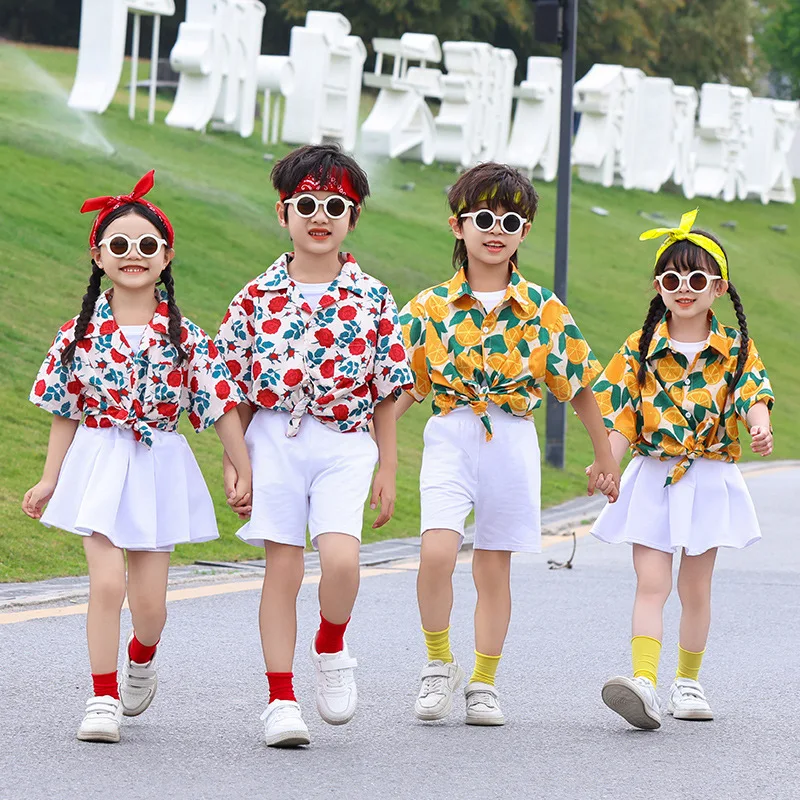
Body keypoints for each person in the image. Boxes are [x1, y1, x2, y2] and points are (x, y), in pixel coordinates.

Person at [22, 170, 252, 744]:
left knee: (150, 606)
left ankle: (142, 656)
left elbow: (219, 400)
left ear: (165, 255)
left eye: (146, 245)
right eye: (118, 245)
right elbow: (65, 409)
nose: (133, 255)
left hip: (157, 465)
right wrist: (51, 478)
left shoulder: (188, 338)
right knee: (106, 586)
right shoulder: (77, 334)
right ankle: (101, 698)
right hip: (96, 461)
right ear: (98, 255)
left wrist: (241, 463)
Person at [396, 162, 620, 727]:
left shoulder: (544, 310)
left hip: (512, 438)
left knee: (493, 568)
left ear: (524, 232)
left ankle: (484, 682)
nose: (496, 229)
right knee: (437, 553)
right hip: (450, 433)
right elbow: (404, 385)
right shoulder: (428, 308)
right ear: (458, 225)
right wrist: (374, 441)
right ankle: (437, 662)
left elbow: (579, 386)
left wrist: (603, 455)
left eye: (511, 219)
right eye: (485, 217)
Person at [215, 144, 412, 747]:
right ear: (284, 213)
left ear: (352, 218)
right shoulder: (256, 297)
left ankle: (331, 641)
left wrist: (388, 465)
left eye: (335, 205)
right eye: (306, 203)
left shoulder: (372, 298)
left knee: (342, 561)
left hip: (346, 442)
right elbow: (233, 387)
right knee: (281, 568)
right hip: (274, 437)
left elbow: (391, 388)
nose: (319, 216)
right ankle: (280, 699)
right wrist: (235, 460)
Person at [592, 209, 774, 730]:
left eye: (697, 279)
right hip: (653, 475)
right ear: (658, 286)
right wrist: (608, 462)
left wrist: (757, 423)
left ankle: (688, 681)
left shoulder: (735, 348)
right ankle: (643, 681)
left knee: (696, 587)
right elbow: (622, 416)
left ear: (718, 287)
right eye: (673, 279)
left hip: (709, 476)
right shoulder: (639, 347)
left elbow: (752, 393)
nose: (684, 288)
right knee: (652, 582)